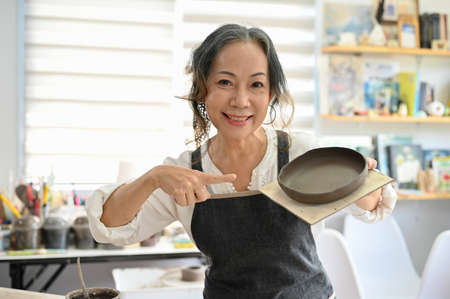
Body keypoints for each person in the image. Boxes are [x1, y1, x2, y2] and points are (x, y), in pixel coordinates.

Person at [87, 24, 397, 299]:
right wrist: (152, 178)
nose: (240, 100)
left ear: (271, 93)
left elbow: (370, 205)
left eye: (256, 85)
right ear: (202, 88)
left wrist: (365, 187)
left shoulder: (301, 153)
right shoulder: (184, 172)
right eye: (225, 82)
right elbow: (110, 228)